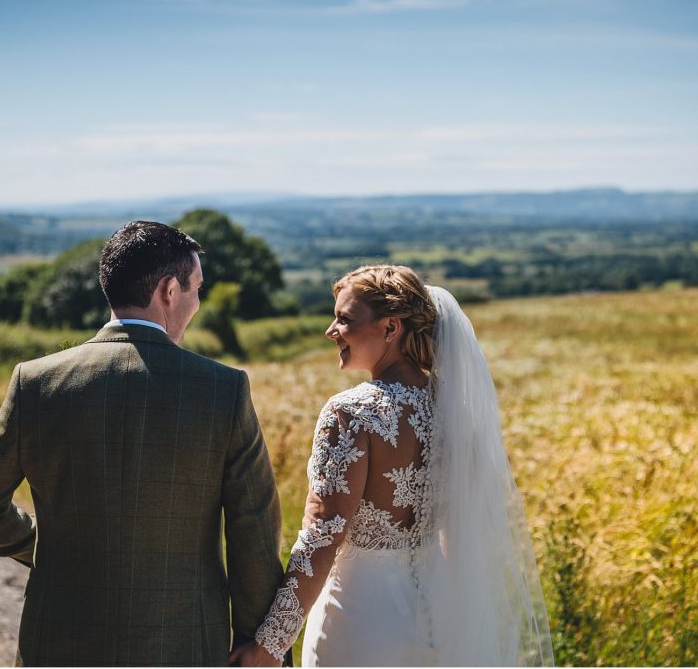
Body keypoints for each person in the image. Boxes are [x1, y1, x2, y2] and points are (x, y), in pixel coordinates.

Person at [0, 220, 287, 666]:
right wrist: (261, 644)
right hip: (184, 644)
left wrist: (48, 548)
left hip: (61, 642)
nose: (198, 303)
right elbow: (254, 536)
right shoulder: (222, 391)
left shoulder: (37, 383)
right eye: (196, 289)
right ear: (168, 291)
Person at [232, 265, 553, 667]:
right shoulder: (454, 408)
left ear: (390, 328)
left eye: (345, 319)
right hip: (436, 617)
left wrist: (271, 643)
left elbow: (323, 535)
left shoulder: (350, 413)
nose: (331, 330)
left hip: (359, 621)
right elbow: (460, 530)